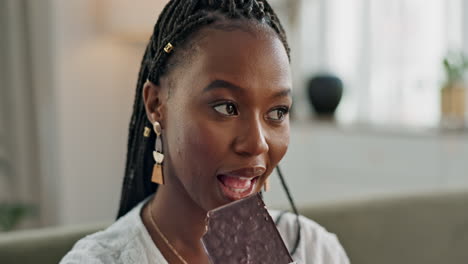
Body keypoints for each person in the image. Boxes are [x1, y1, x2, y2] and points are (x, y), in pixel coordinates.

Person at [60, 0, 350, 263]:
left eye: (277, 112)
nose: (257, 143)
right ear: (156, 104)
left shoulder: (314, 251)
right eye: (226, 107)